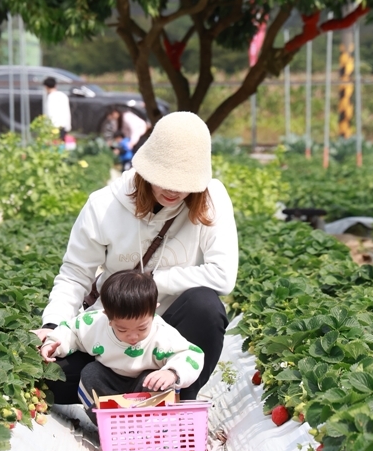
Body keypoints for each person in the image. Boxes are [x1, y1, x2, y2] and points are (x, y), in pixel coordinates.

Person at [34, 110, 238, 403]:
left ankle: (173, 401)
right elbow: (75, 274)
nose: (174, 189)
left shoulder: (211, 199)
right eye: (165, 177)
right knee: (47, 379)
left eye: (185, 181)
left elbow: (223, 275)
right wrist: (53, 326)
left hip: (170, 339)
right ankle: (126, 398)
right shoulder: (104, 205)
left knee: (205, 305)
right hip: (113, 333)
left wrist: (151, 282)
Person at [39, 270, 204, 416]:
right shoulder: (95, 323)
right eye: (123, 330)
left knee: (158, 383)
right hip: (109, 382)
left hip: (145, 385)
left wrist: (172, 373)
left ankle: (153, 429)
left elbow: (191, 354)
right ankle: (109, 425)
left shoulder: (162, 333)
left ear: (154, 310)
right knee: (91, 373)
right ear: (107, 316)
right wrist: (52, 344)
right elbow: (71, 331)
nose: (133, 336)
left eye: (142, 328)